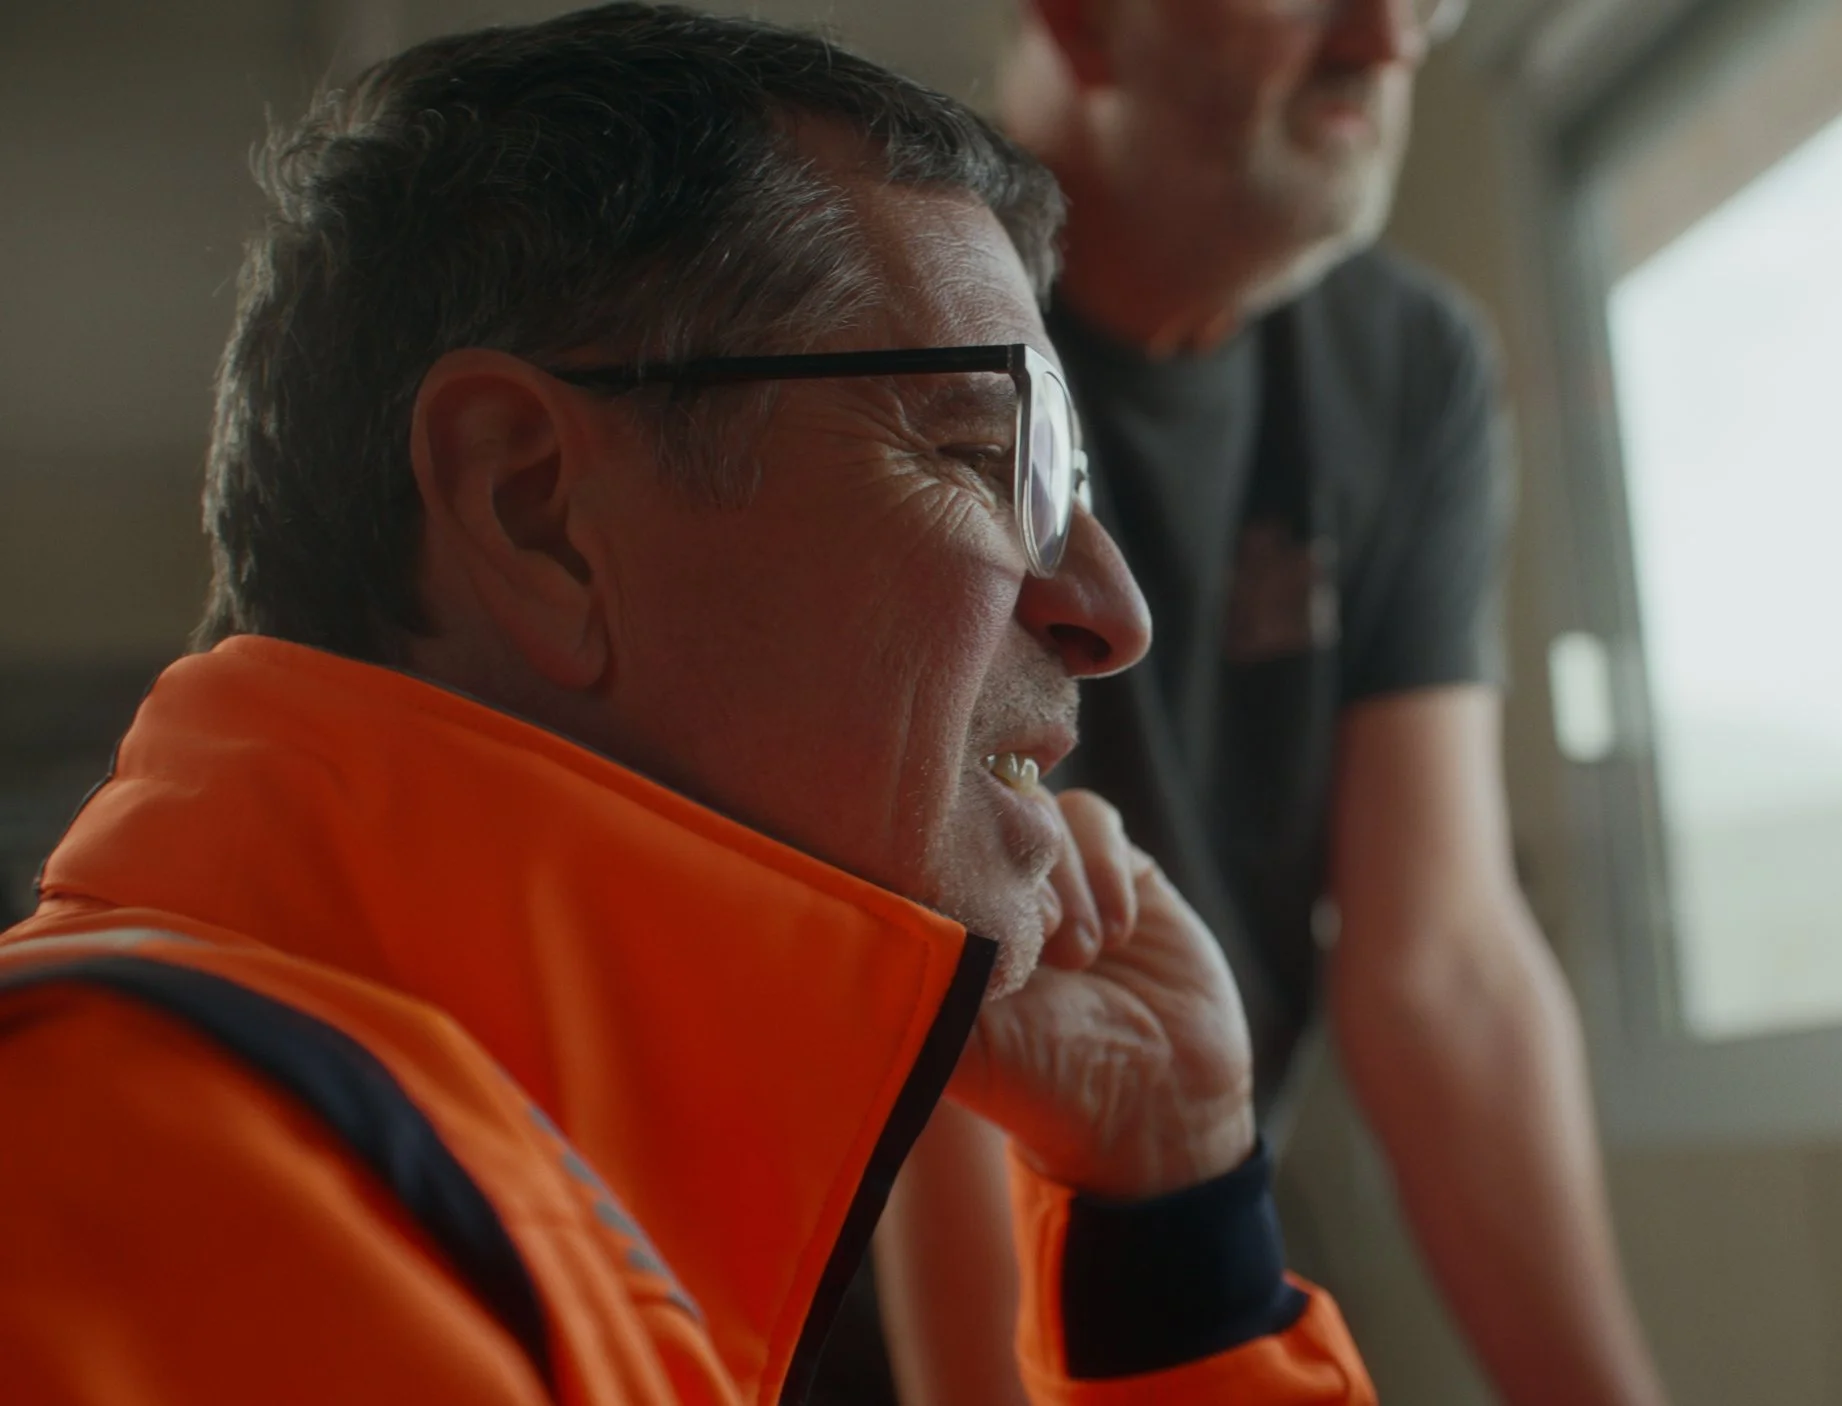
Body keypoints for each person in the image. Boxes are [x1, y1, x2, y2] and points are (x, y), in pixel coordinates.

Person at [0, 7, 1377, 1403]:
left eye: (1071, 485)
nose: (1112, 611)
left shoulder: (472, 1204)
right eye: (980, 453)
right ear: (533, 509)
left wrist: (1173, 1230)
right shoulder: (158, 1188)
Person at [872, 1, 1673, 1404]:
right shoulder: (880, 309)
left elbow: (1443, 964)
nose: (1389, 40)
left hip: (1154, 1234)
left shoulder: (1407, 366)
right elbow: (937, 979)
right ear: (1080, 16)